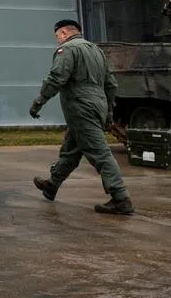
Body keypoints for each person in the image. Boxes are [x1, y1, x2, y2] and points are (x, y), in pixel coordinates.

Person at [29, 19, 134, 215]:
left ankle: (120, 198)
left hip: (80, 107)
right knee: (71, 150)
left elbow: (56, 78)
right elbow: (111, 84)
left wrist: (39, 101)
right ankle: (51, 185)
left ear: (63, 33)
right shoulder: (96, 51)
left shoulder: (68, 50)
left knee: (100, 153)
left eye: (57, 37)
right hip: (98, 104)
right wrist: (109, 111)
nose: (57, 41)